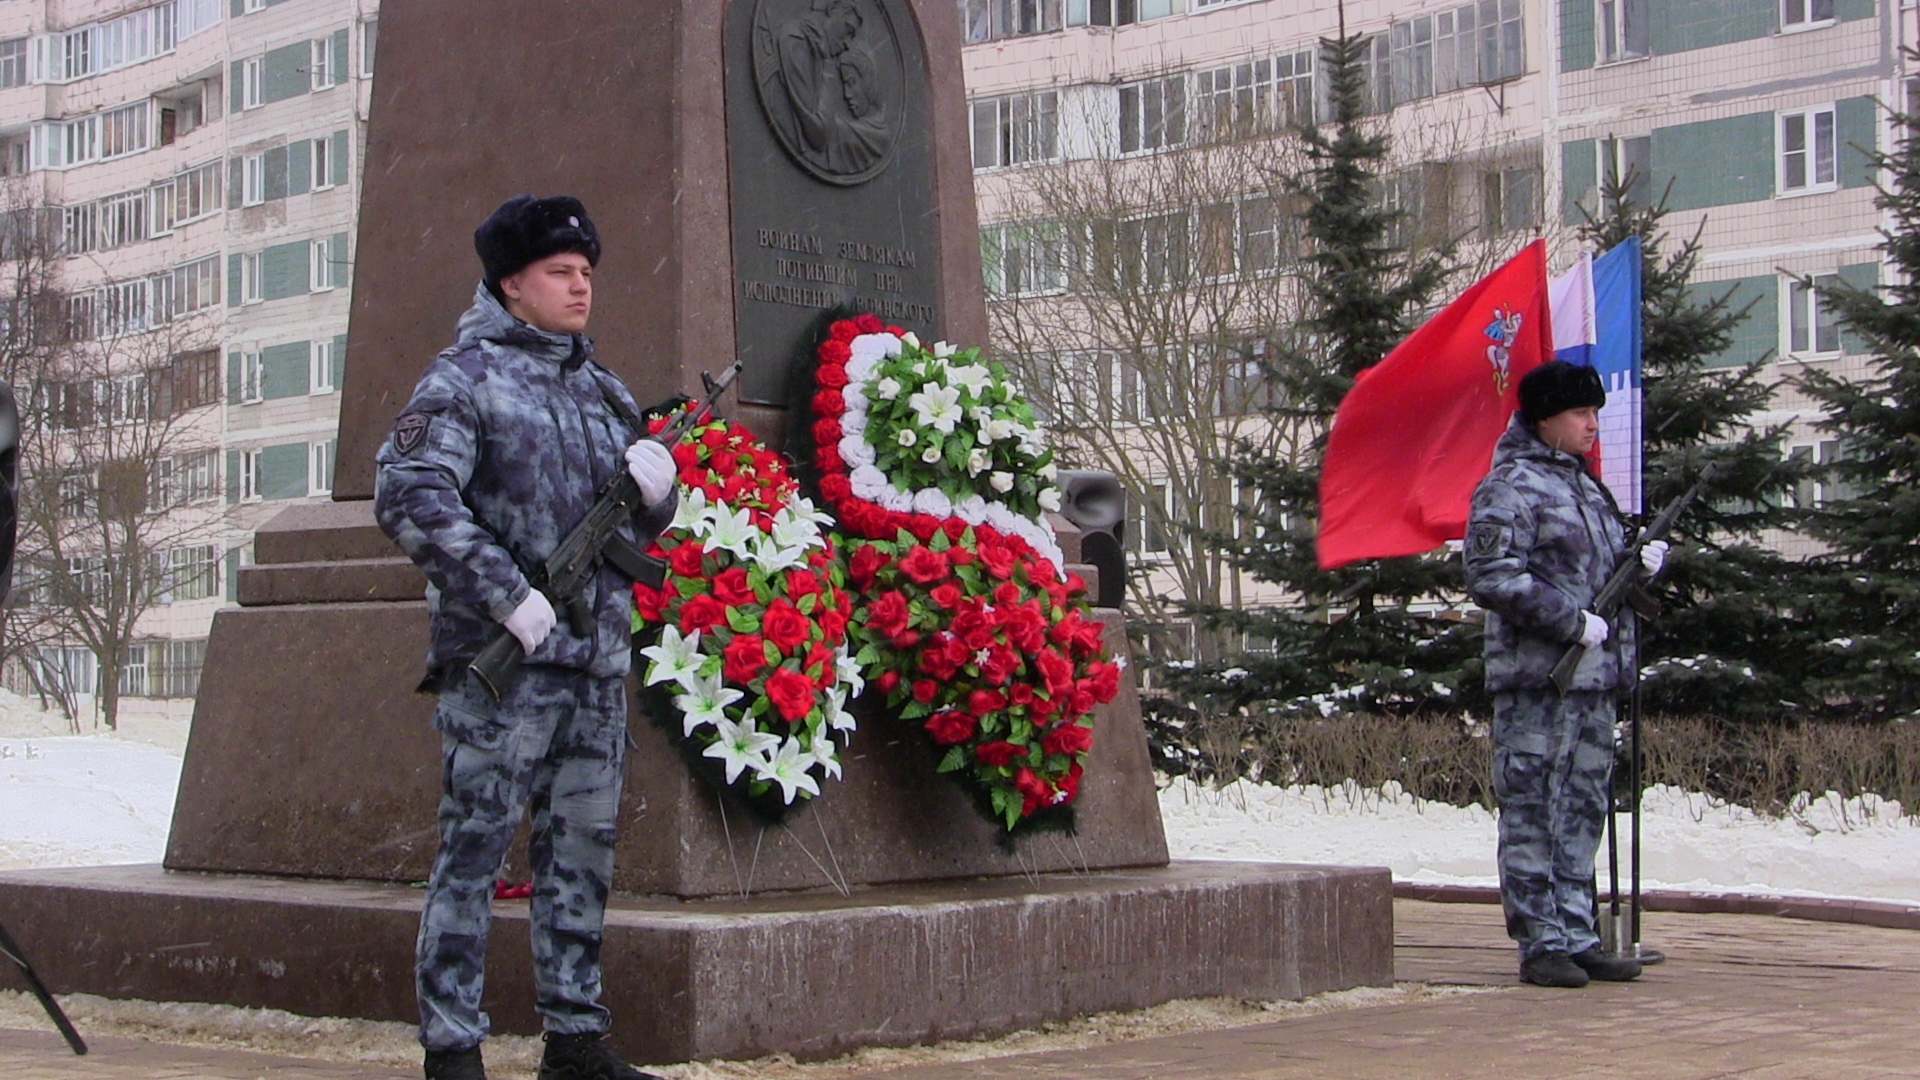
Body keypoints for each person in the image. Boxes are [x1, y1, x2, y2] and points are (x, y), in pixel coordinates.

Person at [375, 195, 679, 1080]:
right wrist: (506, 593)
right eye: (560, 272)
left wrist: (661, 500)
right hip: (502, 670)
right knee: (474, 850)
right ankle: (452, 1046)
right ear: (512, 284)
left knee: (581, 853)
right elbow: (411, 495)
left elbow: (631, 537)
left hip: (591, 664)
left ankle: (576, 1039)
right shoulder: (462, 379)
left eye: (586, 273)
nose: (581, 286)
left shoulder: (604, 389)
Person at [1463, 360, 1667, 989]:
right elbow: (1491, 574)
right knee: (1532, 810)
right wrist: (1570, 622)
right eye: (1580, 413)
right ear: (1544, 418)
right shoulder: (1511, 486)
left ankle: (1578, 932)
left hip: (1594, 682)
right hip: (1539, 679)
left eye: (1595, 413)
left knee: (1582, 808)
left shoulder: (1585, 486)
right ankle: (1539, 941)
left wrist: (1641, 563)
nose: (1591, 425)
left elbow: (1597, 574)